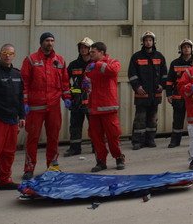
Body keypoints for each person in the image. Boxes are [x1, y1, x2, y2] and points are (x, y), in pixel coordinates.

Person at [21, 32, 71, 180]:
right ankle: (29, 168)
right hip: (35, 106)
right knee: (33, 138)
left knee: (53, 137)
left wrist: (67, 97)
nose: (50, 43)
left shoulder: (60, 60)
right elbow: (24, 83)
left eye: (52, 40)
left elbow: (65, 82)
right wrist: (24, 102)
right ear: (41, 42)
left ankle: (53, 166)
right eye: (47, 40)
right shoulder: (31, 60)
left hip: (53, 106)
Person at [85, 42, 125, 172]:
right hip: (94, 107)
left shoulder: (113, 62)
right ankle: (101, 161)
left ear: (101, 52)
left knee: (113, 136)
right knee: (96, 137)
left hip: (108, 107)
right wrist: (85, 84)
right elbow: (87, 82)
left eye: (93, 52)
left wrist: (97, 64)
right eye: (90, 52)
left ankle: (119, 158)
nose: (90, 54)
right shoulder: (89, 66)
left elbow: (113, 71)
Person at [128, 31, 168, 150]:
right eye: (146, 40)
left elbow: (164, 74)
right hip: (142, 94)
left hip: (155, 94)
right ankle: (137, 141)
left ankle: (150, 139)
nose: (148, 42)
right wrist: (137, 87)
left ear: (154, 42)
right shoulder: (136, 57)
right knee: (140, 119)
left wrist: (162, 85)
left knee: (153, 119)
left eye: (150, 40)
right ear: (143, 42)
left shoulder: (159, 56)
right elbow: (132, 74)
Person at [0, 44, 25, 191]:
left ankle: (4, 180)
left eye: (11, 53)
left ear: (14, 55)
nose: (7, 55)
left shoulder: (17, 74)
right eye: (5, 52)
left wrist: (22, 116)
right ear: (0, 54)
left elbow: (20, 98)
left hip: (13, 119)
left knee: (8, 152)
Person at [64, 37, 93, 157]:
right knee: (75, 126)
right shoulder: (73, 65)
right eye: (81, 47)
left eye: (86, 47)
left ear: (91, 49)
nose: (83, 49)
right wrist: (68, 97)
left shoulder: (95, 64)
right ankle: (74, 148)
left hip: (92, 101)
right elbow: (65, 81)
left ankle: (97, 147)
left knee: (94, 126)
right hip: (76, 101)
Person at [166, 39, 193, 148]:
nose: (186, 49)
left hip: (192, 96)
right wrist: (169, 94)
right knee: (177, 120)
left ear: (191, 49)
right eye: (184, 47)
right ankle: (175, 141)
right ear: (181, 49)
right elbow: (169, 80)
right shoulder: (175, 63)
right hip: (178, 96)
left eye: (188, 47)